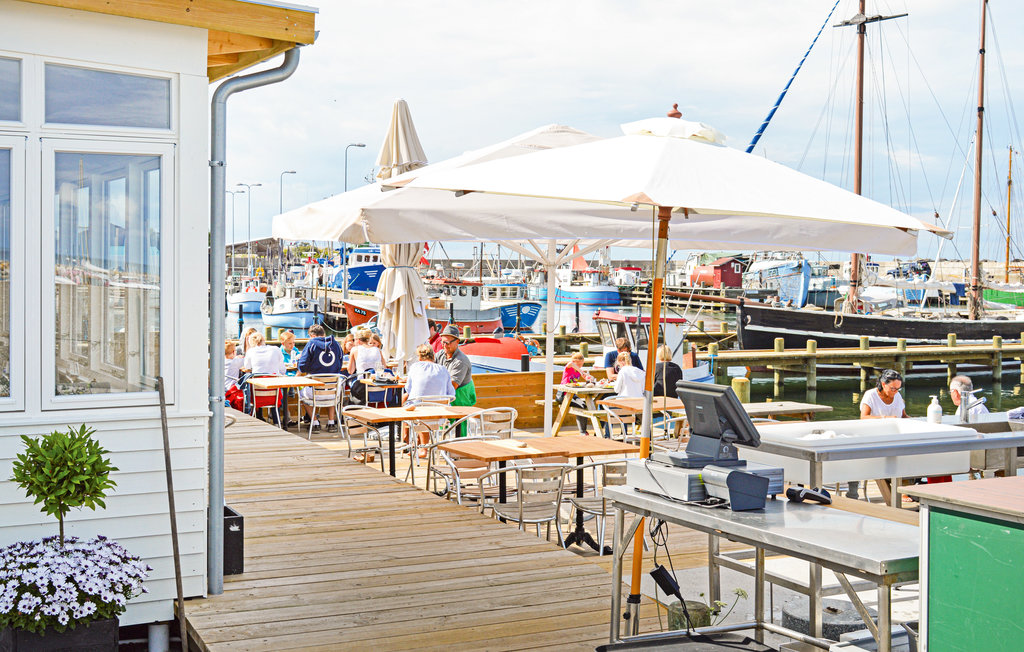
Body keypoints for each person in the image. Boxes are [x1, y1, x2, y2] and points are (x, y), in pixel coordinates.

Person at [852, 368, 908, 499]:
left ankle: (903, 488)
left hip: (895, 438)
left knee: (910, 456)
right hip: (875, 439)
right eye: (893, 388)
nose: (895, 392)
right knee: (891, 461)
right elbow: (863, 417)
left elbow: (904, 416)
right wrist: (885, 418)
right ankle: (897, 493)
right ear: (884, 384)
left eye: (898, 389)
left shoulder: (897, 396)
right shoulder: (871, 395)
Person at [297, 323, 344, 433]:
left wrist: (300, 361)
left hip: (315, 394)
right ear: (324, 334)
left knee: (301, 393)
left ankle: (315, 423)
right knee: (331, 389)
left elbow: (302, 367)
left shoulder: (311, 344)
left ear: (312, 335)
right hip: (333, 392)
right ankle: (331, 423)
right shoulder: (336, 344)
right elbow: (340, 364)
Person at [437, 325, 476, 434]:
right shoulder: (440, 354)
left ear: (457, 341)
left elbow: (452, 386)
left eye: (448, 343)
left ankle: (459, 445)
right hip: (445, 396)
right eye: (443, 342)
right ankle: (439, 442)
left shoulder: (461, 361)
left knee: (456, 424)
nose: (445, 346)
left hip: (460, 400)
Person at [559, 352, 596, 435]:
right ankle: (583, 432)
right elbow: (570, 363)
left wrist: (588, 378)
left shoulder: (578, 371)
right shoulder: (568, 368)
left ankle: (583, 431)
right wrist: (581, 371)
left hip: (572, 395)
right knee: (582, 406)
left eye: (581, 364)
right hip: (563, 395)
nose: (580, 366)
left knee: (584, 406)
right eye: (578, 364)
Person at [347, 329, 386, 405]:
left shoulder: (355, 350)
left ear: (358, 340)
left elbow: (350, 371)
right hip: (377, 386)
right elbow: (384, 367)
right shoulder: (378, 350)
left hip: (362, 387)